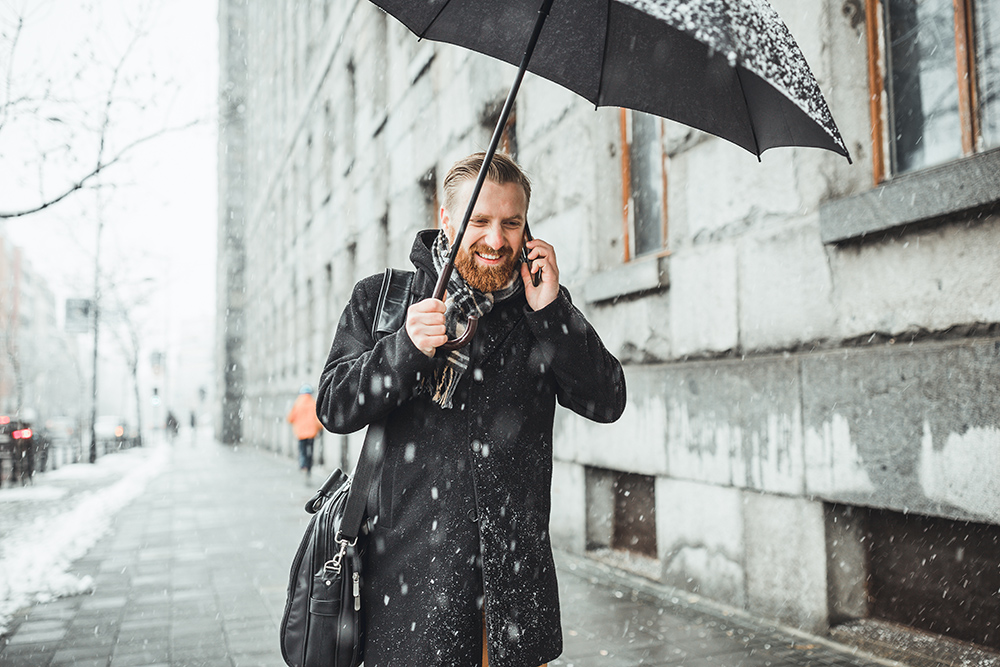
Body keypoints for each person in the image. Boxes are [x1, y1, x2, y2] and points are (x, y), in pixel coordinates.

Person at [316, 152, 626, 667]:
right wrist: (404, 349)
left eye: (511, 223)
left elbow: (606, 399)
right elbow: (334, 405)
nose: (495, 240)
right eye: (478, 221)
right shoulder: (384, 300)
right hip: (409, 599)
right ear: (445, 218)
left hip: (513, 604)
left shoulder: (538, 307)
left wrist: (552, 315)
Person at [287, 384, 323, 481]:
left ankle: (303, 465)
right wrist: (320, 428)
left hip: (301, 432)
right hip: (311, 433)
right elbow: (318, 419)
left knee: (302, 450)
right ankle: (309, 467)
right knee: (310, 450)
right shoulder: (313, 403)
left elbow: (290, 418)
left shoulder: (297, 403)